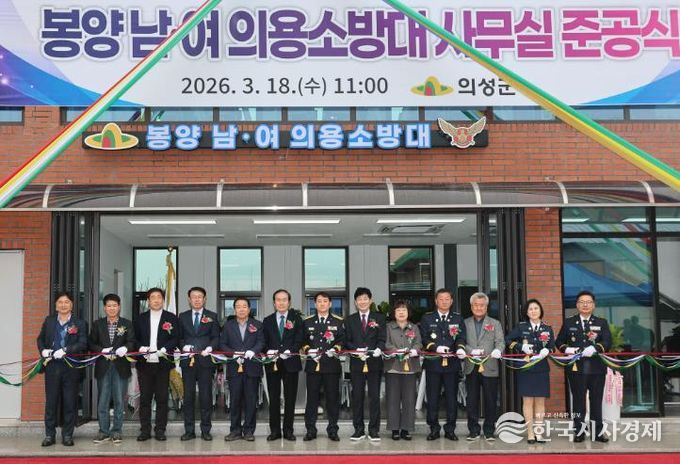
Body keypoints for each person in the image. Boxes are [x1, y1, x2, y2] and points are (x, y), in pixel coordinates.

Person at [556, 290, 612, 443]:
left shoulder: (601, 322)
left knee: (596, 401)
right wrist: (567, 349)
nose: (585, 305)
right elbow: (559, 341)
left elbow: (608, 342)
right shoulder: (569, 322)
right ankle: (579, 431)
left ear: (593, 305)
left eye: (588, 302)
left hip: (597, 368)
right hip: (576, 368)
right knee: (578, 401)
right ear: (577, 305)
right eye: (582, 302)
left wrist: (596, 348)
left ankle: (597, 432)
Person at [37, 291, 88, 447]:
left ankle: (67, 435)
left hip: (71, 367)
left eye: (66, 302)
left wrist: (66, 350)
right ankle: (49, 435)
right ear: (56, 305)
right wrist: (43, 351)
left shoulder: (79, 323)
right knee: (51, 402)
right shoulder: (49, 321)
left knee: (70, 402)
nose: (63, 305)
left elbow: (83, 343)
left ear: (71, 305)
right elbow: (40, 339)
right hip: (52, 367)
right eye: (60, 302)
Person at [419, 288, 467, 441]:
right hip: (433, 364)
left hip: (452, 365)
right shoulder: (427, 318)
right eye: (441, 299)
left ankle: (450, 429)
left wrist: (460, 348)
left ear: (451, 301)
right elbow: (424, 338)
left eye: (447, 299)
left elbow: (461, 337)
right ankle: (433, 428)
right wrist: (435, 347)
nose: (444, 302)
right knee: (432, 398)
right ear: (436, 301)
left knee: (451, 398)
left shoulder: (458, 318)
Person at [505, 298, 554, 443]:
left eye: (536, 308)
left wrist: (548, 350)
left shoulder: (547, 328)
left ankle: (539, 433)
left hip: (541, 369)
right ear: (526, 312)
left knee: (540, 402)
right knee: (527, 402)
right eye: (530, 309)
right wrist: (521, 347)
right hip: (526, 369)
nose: (533, 311)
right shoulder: (521, 327)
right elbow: (508, 340)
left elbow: (552, 346)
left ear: (540, 311)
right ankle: (530, 433)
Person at [89, 293, 136, 444]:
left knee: (119, 401)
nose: (112, 308)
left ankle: (117, 431)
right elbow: (91, 344)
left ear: (119, 307)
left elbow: (132, 342)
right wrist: (101, 350)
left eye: (114, 305)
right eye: (109, 305)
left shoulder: (127, 324)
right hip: (103, 366)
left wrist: (125, 348)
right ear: (104, 308)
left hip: (121, 367)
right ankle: (103, 431)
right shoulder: (97, 324)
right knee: (102, 401)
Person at [134, 287, 180, 442]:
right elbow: (134, 338)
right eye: (152, 297)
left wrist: (166, 349)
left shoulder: (171, 318)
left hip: (163, 364)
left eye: (159, 297)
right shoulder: (140, 318)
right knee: (145, 399)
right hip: (144, 365)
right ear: (148, 301)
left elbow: (176, 338)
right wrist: (141, 348)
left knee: (162, 399)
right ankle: (145, 430)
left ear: (163, 300)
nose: (156, 300)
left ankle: (160, 430)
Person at [219, 297, 265, 442]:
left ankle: (249, 430)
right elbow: (222, 344)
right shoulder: (228, 326)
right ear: (234, 310)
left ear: (249, 309)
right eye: (238, 306)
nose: (241, 309)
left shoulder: (257, 325)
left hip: (252, 367)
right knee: (235, 401)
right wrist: (232, 353)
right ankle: (235, 430)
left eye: (244, 306)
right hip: (234, 367)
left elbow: (261, 342)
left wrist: (253, 351)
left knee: (251, 401)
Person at [301, 291, 345, 442]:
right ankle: (310, 430)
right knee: (312, 399)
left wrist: (336, 349)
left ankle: (332, 429)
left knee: (332, 399)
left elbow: (343, 340)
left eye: (325, 301)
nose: (322, 304)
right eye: (319, 301)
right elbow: (302, 340)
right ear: (315, 304)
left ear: (330, 304)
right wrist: (308, 350)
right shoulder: (307, 322)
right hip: (313, 366)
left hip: (331, 366)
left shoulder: (338, 321)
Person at [178, 286, 220, 441]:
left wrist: (210, 348)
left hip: (205, 361)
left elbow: (216, 337)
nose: (196, 299)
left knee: (205, 397)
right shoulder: (182, 316)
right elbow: (179, 337)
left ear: (204, 299)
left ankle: (205, 430)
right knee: (188, 397)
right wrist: (183, 346)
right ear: (189, 299)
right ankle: (189, 430)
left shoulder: (212, 316)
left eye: (199, 297)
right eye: (194, 297)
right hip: (187, 362)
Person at [344, 287, 386, 441]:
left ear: (370, 300)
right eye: (359, 299)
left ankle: (374, 430)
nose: (362, 301)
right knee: (357, 396)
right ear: (355, 302)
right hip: (357, 363)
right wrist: (355, 350)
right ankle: (359, 429)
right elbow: (346, 340)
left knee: (374, 397)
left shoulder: (379, 318)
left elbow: (382, 338)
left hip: (374, 362)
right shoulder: (350, 320)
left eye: (365, 298)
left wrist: (379, 349)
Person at [262, 289, 304, 441]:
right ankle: (275, 431)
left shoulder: (296, 319)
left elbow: (300, 338)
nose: (281, 302)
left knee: (290, 398)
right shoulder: (267, 320)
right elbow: (263, 340)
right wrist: (268, 350)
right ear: (274, 303)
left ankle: (288, 430)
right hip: (272, 363)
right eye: (278, 300)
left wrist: (291, 350)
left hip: (291, 362)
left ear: (289, 302)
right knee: (273, 398)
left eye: (284, 300)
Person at [463, 292, 505, 442]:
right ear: (471, 306)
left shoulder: (495, 323)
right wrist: (470, 351)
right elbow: (460, 342)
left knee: (491, 400)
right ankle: (473, 430)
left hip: (490, 365)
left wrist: (498, 350)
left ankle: (489, 431)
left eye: (482, 305)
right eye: (476, 305)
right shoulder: (464, 323)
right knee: (471, 400)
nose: (479, 308)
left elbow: (500, 342)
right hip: (471, 365)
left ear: (486, 307)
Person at [384, 300, 422, 441]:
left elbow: (419, 343)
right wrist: (395, 350)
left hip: (410, 367)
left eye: (404, 310)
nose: (401, 312)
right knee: (393, 399)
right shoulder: (388, 327)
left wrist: (414, 350)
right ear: (394, 313)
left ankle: (406, 429)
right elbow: (386, 343)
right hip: (393, 367)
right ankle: (394, 429)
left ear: (408, 312)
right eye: (398, 310)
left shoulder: (414, 327)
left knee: (409, 399)